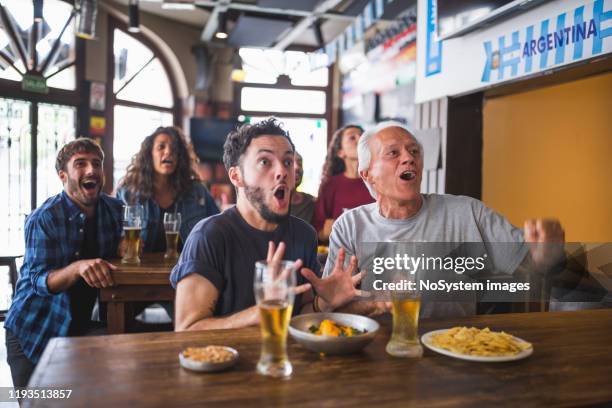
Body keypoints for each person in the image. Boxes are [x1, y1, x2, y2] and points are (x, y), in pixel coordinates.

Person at [318, 121, 565, 317]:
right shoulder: (349, 226)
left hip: (456, 350)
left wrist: (545, 257)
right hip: (375, 354)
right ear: (367, 174)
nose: (409, 158)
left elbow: (529, 267)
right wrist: (376, 303)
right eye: (393, 153)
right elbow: (335, 311)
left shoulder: (468, 213)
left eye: (414, 151)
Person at [171, 118, 361, 331]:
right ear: (237, 176)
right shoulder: (208, 236)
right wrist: (264, 310)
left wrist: (324, 303)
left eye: (288, 162)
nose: (283, 171)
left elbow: (300, 316)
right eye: (265, 162)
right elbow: (186, 329)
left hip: (288, 360)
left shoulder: (304, 234)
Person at [5, 138, 123, 388]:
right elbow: (38, 281)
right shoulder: (45, 218)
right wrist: (77, 268)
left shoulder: (115, 211)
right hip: (33, 330)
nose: (91, 170)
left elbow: (130, 246)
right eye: (80, 164)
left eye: (97, 163)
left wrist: (127, 246)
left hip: (80, 328)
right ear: (63, 176)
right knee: (38, 405)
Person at [116, 126, 219, 253]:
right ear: (149, 154)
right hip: (141, 270)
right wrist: (120, 245)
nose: (168, 152)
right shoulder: (127, 193)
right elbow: (111, 237)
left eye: (174, 148)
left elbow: (219, 230)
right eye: (161, 147)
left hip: (188, 269)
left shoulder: (197, 192)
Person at [313, 124, 375, 242]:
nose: (361, 139)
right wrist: (326, 233)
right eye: (352, 137)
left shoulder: (379, 181)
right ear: (341, 152)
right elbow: (317, 232)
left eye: (362, 136)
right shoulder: (330, 186)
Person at [290, 152, 315, 224]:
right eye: (289, 163)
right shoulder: (268, 206)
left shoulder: (311, 202)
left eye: (300, 163)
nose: (297, 167)